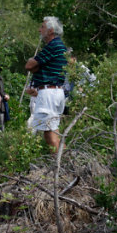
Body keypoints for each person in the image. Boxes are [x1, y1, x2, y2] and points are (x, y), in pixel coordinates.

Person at [24, 16, 68, 151]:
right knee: (52, 131)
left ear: (51, 30)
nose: (39, 30)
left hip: (49, 93)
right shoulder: (56, 46)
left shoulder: (53, 46)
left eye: (42, 27)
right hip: (53, 92)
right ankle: (63, 162)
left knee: (50, 135)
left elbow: (29, 65)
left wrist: (33, 61)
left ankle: (61, 164)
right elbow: (33, 67)